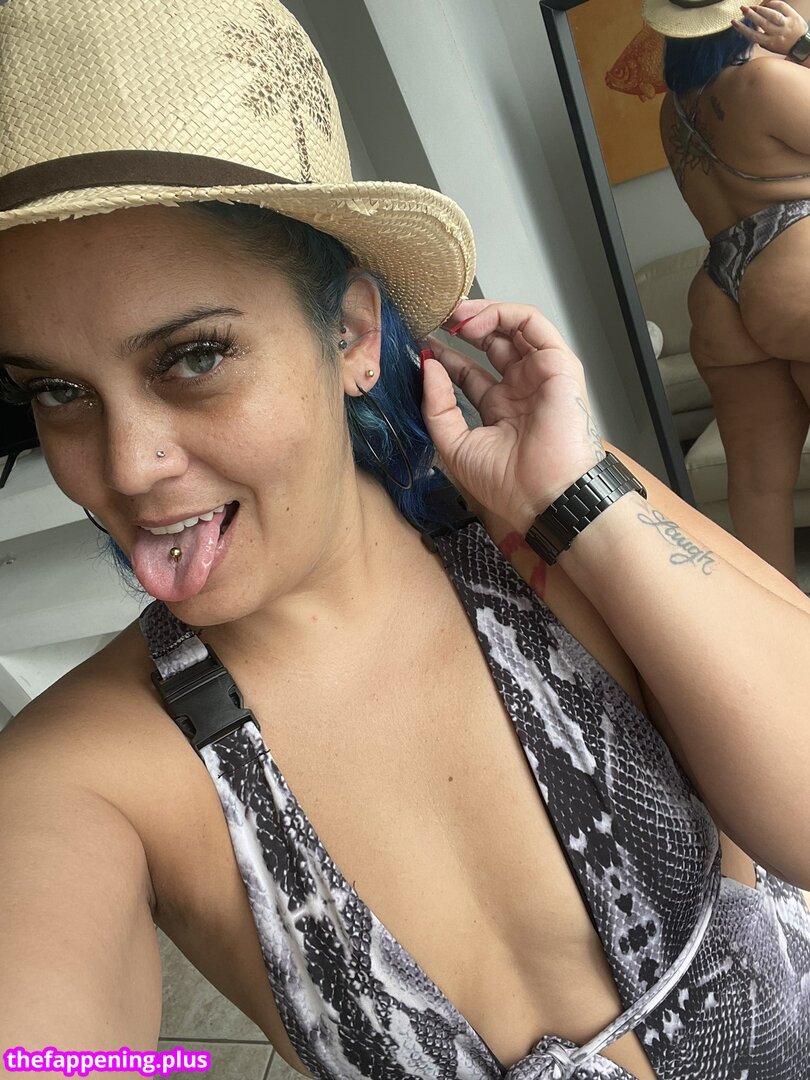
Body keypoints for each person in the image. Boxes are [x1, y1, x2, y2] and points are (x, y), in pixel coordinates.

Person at [0, 1, 809, 1078]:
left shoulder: (548, 542)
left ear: (351, 334)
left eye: (193, 357)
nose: (124, 464)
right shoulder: (83, 772)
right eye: (58, 391)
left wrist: (582, 502)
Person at [643, 0, 810, 586]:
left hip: (720, 293)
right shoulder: (767, 80)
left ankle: (782, 632)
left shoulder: (673, 109)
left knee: (759, 485)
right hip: (794, 275)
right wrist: (804, 48)